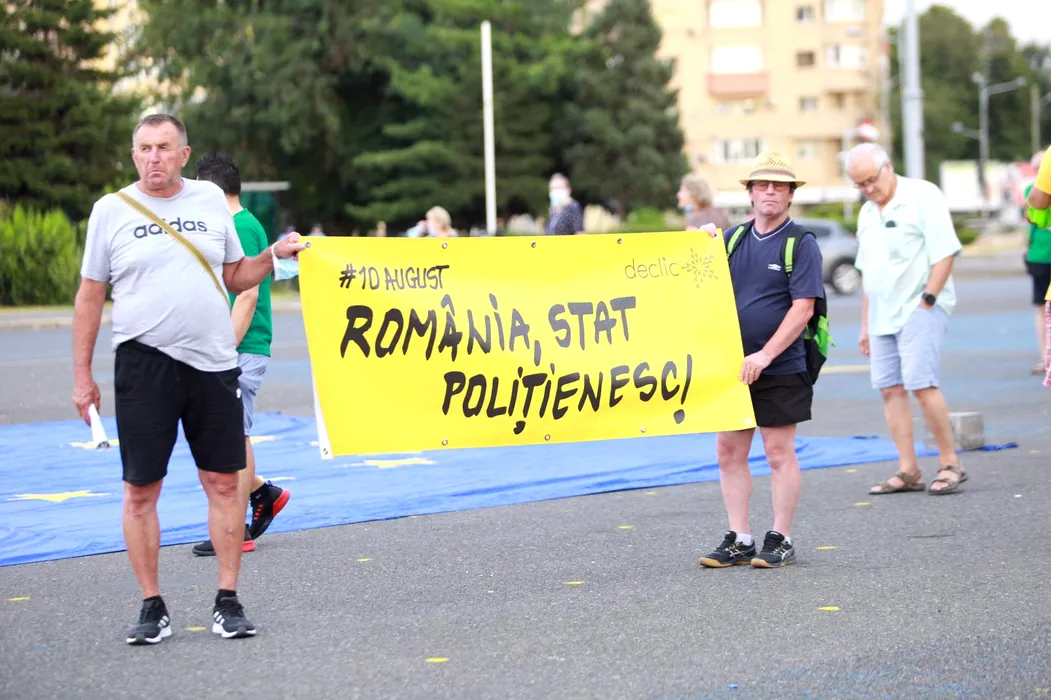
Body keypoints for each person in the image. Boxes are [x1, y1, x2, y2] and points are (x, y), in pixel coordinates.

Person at [72, 113, 306, 645]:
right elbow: (90, 295)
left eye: (164, 147)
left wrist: (274, 256)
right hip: (143, 365)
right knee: (140, 491)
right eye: (144, 148)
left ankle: (228, 600)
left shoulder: (208, 201)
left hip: (212, 363)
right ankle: (151, 605)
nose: (153, 157)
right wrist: (82, 376)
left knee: (224, 483)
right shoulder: (110, 210)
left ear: (183, 154)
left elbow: (236, 276)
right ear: (134, 155)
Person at [698, 152, 824, 570]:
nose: (770, 192)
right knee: (728, 452)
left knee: (778, 452)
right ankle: (740, 538)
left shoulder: (800, 243)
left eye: (779, 186)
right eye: (762, 185)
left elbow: (803, 307)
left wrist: (766, 354)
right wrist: (698, 243)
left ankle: (781, 537)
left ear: (790, 195)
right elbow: (695, 280)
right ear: (750, 193)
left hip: (781, 364)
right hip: (734, 366)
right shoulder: (732, 239)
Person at [844, 143, 966, 496]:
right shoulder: (867, 213)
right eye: (860, 184)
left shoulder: (922, 195)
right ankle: (908, 469)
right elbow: (867, 272)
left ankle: (950, 462)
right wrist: (865, 324)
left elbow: (945, 253)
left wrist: (927, 301)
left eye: (871, 180)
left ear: (888, 167)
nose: (868, 189)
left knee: (921, 384)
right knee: (890, 389)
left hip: (919, 305)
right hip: (881, 314)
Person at [191, 153, 291, 557]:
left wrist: (224, 351)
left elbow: (247, 295)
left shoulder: (241, 227)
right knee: (229, 433)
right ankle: (263, 493)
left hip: (241, 347)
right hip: (232, 345)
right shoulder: (230, 225)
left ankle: (236, 529)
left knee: (233, 436)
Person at [1023, 150, 1051, 375]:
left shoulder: (1033, 190)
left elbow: (1035, 207)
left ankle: (1046, 359)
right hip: (1041, 255)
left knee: (1043, 309)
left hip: (1040, 255)